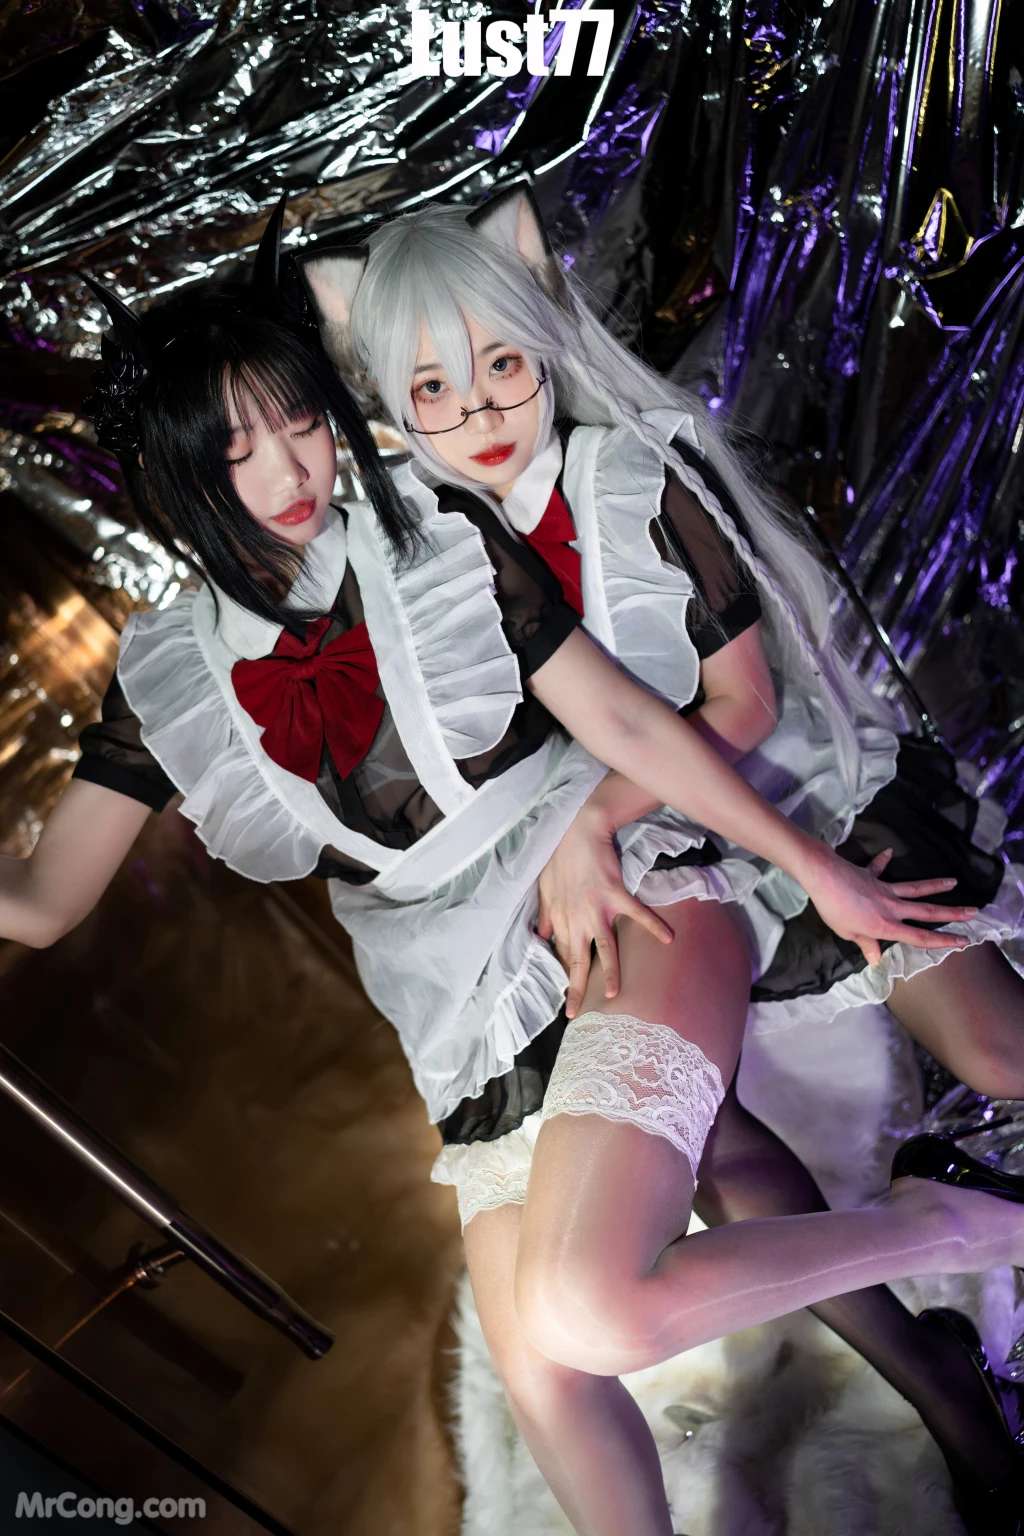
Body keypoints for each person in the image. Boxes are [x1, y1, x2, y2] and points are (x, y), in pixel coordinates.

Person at [0, 203, 1019, 1536]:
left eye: (301, 421)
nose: (291, 467)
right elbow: (43, 904)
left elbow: (634, 724)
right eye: (238, 449)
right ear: (177, 479)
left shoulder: (434, 537)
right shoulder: (173, 675)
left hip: (613, 899)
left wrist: (806, 866)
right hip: (456, 1018)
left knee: (589, 1306)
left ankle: (958, 1225)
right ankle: (939, 1379)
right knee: (555, 1379)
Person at [298, 184, 1024, 1534]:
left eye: (501, 364)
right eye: (433, 388)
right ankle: (942, 1388)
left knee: (999, 1057)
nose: (478, 411)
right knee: (705, 1135)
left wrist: (590, 822)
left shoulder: (627, 474)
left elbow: (741, 708)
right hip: (657, 857)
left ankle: (952, 1313)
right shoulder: (423, 553)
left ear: (543, 338)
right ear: (385, 402)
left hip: (791, 804)